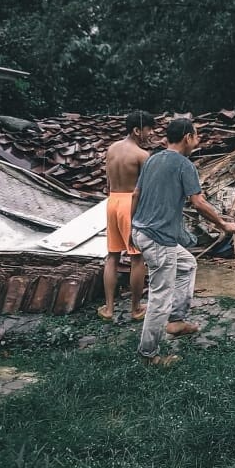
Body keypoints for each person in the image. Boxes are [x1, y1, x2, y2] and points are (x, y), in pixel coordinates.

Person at [131, 118, 235, 367]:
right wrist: (224, 225)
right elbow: (198, 202)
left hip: (143, 232)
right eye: (196, 136)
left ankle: (176, 321)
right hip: (159, 240)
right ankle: (149, 355)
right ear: (187, 137)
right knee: (160, 296)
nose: (197, 140)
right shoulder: (184, 165)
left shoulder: (152, 159)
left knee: (188, 264)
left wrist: (130, 228)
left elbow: (136, 194)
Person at [99, 110, 155, 322]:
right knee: (137, 257)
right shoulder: (142, 156)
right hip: (131, 204)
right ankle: (136, 308)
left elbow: (107, 183)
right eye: (149, 130)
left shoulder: (111, 149)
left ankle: (109, 308)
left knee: (112, 255)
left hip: (112, 202)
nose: (151, 134)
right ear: (136, 130)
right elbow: (145, 190)